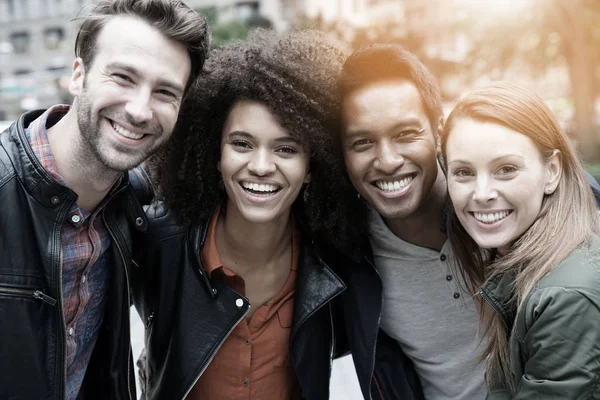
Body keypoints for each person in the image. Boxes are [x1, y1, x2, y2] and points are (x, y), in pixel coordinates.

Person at [335, 44, 600, 400]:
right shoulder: (345, 253)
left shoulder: (510, 210)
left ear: (438, 132)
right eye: (362, 142)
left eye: (405, 134)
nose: (387, 160)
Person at [131, 29, 363, 400]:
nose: (260, 166)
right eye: (241, 144)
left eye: (286, 149)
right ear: (215, 152)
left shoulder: (334, 257)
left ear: (312, 165)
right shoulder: (157, 241)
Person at [0, 1, 210, 399]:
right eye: (123, 77)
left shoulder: (138, 204)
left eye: (165, 92)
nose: (140, 109)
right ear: (78, 75)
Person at [442, 82, 600, 398]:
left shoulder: (564, 297)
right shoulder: (525, 261)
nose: (482, 193)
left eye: (506, 169)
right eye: (463, 172)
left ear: (552, 171)